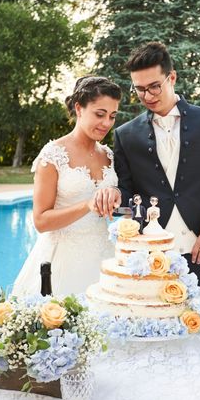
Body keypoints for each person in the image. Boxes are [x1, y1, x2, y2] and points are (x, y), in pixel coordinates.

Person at [109, 41, 200, 310]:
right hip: (151, 259)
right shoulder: (125, 135)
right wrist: (114, 195)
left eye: (154, 86)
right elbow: (128, 193)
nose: (147, 95)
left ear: (171, 77)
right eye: (139, 89)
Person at [12, 76, 122, 296]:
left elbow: (117, 202)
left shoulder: (109, 155)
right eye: (99, 114)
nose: (106, 123)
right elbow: (41, 221)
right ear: (79, 108)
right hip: (62, 262)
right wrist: (87, 205)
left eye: (112, 116)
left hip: (104, 259)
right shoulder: (53, 154)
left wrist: (116, 195)